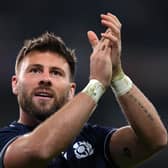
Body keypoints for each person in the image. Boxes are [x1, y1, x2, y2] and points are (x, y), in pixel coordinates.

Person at [0, 12, 167, 168]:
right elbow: (40, 150)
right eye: (35, 70)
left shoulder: (95, 140)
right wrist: (97, 84)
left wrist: (117, 76)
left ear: (71, 91)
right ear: (15, 83)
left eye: (56, 73)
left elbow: (155, 140)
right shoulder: (5, 140)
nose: (46, 79)